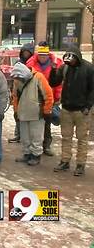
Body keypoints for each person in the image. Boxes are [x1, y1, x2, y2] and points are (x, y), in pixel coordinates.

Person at [50, 45, 94, 176]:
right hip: (67, 109)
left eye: (72, 58)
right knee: (66, 137)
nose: (70, 60)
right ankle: (65, 161)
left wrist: (88, 106)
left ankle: (80, 164)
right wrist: (53, 70)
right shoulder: (65, 68)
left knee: (82, 139)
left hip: (82, 111)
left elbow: (93, 90)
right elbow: (54, 83)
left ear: (77, 57)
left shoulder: (89, 68)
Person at [11, 62, 54, 166]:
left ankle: (36, 155)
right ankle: (27, 153)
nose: (18, 81)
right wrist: (16, 111)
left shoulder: (38, 77)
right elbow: (15, 97)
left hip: (37, 113)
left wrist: (46, 111)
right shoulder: (17, 80)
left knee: (36, 136)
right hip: (23, 113)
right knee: (25, 136)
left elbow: (48, 95)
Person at [26, 41, 63, 156]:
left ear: (48, 54)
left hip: (48, 98)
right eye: (40, 55)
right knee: (34, 123)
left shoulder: (56, 65)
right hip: (34, 98)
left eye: (44, 55)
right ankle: (34, 145)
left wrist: (57, 97)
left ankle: (46, 145)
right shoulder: (30, 64)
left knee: (47, 123)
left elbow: (58, 83)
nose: (42, 57)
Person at [8, 42, 35, 143]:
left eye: (28, 52)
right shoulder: (19, 63)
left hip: (30, 92)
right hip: (18, 91)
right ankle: (18, 134)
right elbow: (13, 76)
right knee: (17, 114)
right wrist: (12, 90)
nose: (26, 54)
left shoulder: (34, 63)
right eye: (24, 52)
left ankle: (27, 136)